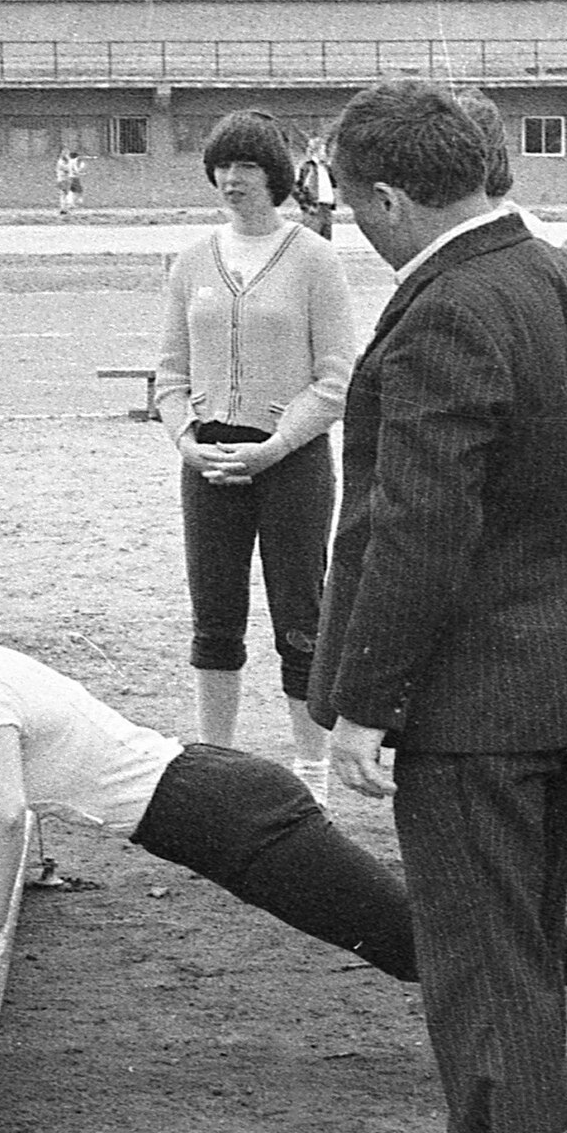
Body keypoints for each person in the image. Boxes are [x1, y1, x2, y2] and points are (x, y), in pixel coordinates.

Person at [0, 646, 567, 1056]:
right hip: (220, 797)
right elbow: (41, 805)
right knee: (412, 936)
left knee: (412, 943)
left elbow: (12, 815)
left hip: (233, 819)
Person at [310, 78, 567, 1133]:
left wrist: (362, 702)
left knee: (484, 977)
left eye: (349, 206)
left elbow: (417, 530)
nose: (352, 224)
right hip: (563, 673)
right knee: (513, 954)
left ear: (389, 197)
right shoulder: (563, 280)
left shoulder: (447, 307)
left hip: (472, 698)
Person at [151, 110, 354, 802]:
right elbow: (172, 372)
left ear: (277, 175)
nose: (232, 180)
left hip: (289, 460)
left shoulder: (315, 258)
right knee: (214, 614)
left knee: (301, 611)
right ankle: (216, 768)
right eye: (221, 166)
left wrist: (278, 444)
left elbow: (335, 378)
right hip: (208, 460)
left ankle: (312, 770)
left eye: (247, 167)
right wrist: (185, 438)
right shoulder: (192, 261)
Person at [293, 134, 337, 239]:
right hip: (314, 207)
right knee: (313, 237)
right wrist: (306, 206)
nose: (325, 153)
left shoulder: (326, 168)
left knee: (326, 239)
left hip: (327, 206)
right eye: (323, 150)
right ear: (315, 151)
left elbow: (335, 183)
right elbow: (297, 188)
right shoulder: (307, 167)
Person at [55, 146, 86, 218]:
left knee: (66, 194)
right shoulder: (61, 162)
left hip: (66, 179)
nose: (67, 155)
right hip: (63, 179)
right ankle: (64, 208)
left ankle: (65, 208)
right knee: (64, 194)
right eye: (66, 153)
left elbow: (70, 170)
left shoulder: (65, 161)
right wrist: (72, 163)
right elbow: (66, 169)